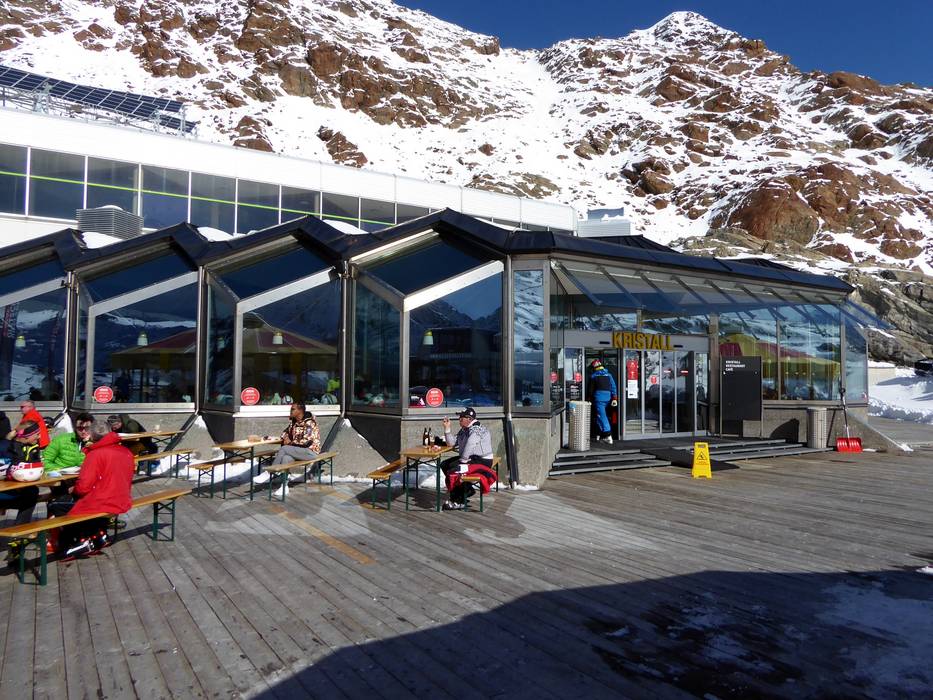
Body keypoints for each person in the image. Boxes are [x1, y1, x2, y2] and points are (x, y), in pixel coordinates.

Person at [47, 420, 134, 557]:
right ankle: (97, 534)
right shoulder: (125, 451)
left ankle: (75, 541)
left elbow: (83, 487)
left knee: (56, 505)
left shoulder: (95, 454)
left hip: (103, 501)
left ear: (92, 435)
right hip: (122, 498)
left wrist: (74, 489)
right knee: (71, 502)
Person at [440, 407, 494, 510]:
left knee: (454, 469)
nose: (459, 419)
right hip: (471, 459)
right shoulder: (464, 430)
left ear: (469, 419)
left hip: (482, 461)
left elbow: (470, 444)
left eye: (461, 417)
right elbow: (451, 443)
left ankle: (458, 499)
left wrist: (463, 461)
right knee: (444, 464)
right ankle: (466, 490)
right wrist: (447, 429)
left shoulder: (477, 429)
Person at [0, 421, 42, 529]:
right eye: (37, 434)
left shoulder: (30, 448)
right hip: (3, 493)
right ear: (26, 435)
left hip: (15, 492)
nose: (39, 437)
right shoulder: (6, 447)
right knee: (31, 492)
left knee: (32, 491)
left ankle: (20, 529)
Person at [588, 359, 618, 445]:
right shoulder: (609, 375)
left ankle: (608, 436)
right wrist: (614, 398)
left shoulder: (593, 376)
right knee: (599, 416)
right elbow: (613, 386)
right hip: (608, 399)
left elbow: (590, 390)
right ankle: (600, 435)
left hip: (599, 399)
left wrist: (589, 399)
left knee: (602, 416)